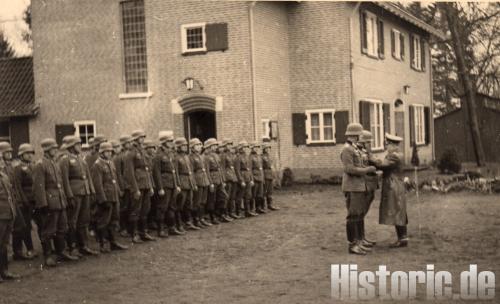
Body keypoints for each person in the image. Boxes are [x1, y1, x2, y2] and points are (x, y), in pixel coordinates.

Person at [33, 138, 79, 267]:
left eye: (55, 148)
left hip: (60, 201)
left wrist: (65, 198)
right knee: (49, 230)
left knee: (62, 227)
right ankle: (48, 255)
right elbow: (39, 187)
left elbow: (61, 184)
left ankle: (61, 252)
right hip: (50, 202)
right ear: (47, 150)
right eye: (53, 148)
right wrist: (43, 204)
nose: (55, 150)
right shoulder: (40, 165)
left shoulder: (55, 163)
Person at [58, 136, 99, 257]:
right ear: (71, 146)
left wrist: (91, 191)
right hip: (75, 193)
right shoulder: (65, 160)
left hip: (85, 192)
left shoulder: (81, 159)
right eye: (77, 144)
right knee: (72, 221)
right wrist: (69, 195)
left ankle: (83, 245)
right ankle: (73, 246)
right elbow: (65, 180)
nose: (80, 146)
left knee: (84, 220)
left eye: (80, 144)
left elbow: (88, 177)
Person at [340, 123, 377, 255]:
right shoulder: (347, 150)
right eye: (358, 134)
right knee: (353, 215)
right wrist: (367, 170)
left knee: (359, 214)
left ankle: (360, 240)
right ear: (353, 135)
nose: (360, 137)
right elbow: (349, 169)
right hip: (352, 187)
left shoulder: (355, 148)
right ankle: (353, 244)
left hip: (360, 186)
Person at [371, 133, 408, 248]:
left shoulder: (393, 156)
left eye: (388, 144)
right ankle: (403, 237)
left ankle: (402, 239)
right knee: (399, 210)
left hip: (393, 185)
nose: (386, 147)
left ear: (393, 145)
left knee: (396, 210)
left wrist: (370, 158)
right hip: (397, 183)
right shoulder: (398, 154)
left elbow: (383, 165)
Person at [91, 142, 128, 253]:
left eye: (110, 151)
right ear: (101, 152)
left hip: (113, 196)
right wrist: (102, 199)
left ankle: (113, 242)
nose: (109, 153)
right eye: (106, 151)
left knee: (114, 219)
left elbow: (114, 180)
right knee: (104, 221)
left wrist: (118, 192)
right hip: (106, 197)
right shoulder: (97, 165)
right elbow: (98, 184)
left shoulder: (111, 163)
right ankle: (103, 243)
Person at [0, 142, 33, 261]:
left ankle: (17, 251)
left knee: (19, 226)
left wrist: (18, 200)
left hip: (14, 200)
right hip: (6, 201)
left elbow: (16, 185)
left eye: (10, 152)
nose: (9, 154)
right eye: (6, 152)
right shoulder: (3, 167)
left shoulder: (11, 166)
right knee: (6, 230)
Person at [124, 130, 156, 243]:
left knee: (145, 209)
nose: (142, 139)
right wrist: (135, 188)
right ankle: (134, 234)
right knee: (135, 210)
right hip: (138, 185)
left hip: (146, 184)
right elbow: (129, 172)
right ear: (136, 139)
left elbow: (147, 170)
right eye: (140, 137)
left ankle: (144, 232)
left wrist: (151, 186)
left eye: (143, 137)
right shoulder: (131, 153)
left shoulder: (142, 151)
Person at [152, 131, 181, 237]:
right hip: (164, 184)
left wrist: (177, 184)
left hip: (172, 183)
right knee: (162, 207)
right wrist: (160, 188)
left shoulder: (171, 154)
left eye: (172, 141)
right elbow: (156, 172)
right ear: (164, 142)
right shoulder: (158, 155)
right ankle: (161, 229)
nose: (171, 143)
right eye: (169, 141)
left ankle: (171, 227)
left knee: (172, 206)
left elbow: (175, 171)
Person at [12, 143, 38, 260]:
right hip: (24, 201)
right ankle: (29, 249)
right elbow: (17, 186)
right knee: (25, 226)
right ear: (21, 155)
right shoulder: (18, 168)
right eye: (26, 153)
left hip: (34, 199)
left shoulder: (33, 166)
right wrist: (24, 201)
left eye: (30, 153)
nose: (29, 155)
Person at [0, 157, 20, 282]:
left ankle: (4, 270)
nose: (1, 162)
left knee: (4, 244)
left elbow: (10, 195)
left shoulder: (4, 176)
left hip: (8, 214)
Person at [356, 131, 377, 247]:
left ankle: (362, 238)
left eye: (370, 142)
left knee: (362, 213)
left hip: (369, 185)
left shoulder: (366, 152)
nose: (370, 144)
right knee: (360, 213)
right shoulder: (362, 152)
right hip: (364, 186)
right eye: (368, 142)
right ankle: (359, 238)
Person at [173, 137, 196, 233]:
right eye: (183, 145)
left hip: (189, 181)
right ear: (178, 147)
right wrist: (178, 184)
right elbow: (176, 173)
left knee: (188, 203)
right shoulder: (176, 158)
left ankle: (188, 222)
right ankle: (179, 224)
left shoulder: (186, 157)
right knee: (180, 205)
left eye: (185, 145)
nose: (185, 147)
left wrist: (193, 183)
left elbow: (191, 171)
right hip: (182, 182)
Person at [204, 138, 231, 223]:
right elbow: (207, 171)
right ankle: (213, 217)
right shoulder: (206, 157)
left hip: (219, 179)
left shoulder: (216, 155)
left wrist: (222, 180)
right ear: (209, 146)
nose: (215, 147)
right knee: (212, 199)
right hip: (212, 179)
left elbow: (220, 168)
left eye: (216, 145)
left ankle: (221, 214)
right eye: (214, 145)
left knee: (223, 196)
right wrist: (210, 183)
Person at [115, 135, 133, 237]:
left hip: (130, 185)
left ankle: (129, 228)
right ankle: (123, 228)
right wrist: (121, 188)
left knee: (130, 207)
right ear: (124, 144)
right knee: (124, 208)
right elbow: (118, 174)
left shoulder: (128, 154)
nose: (130, 144)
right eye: (128, 142)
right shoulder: (119, 157)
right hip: (124, 186)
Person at [189, 138, 209, 228]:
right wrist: (194, 183)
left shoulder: (200, 156)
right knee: (197, 202)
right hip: (197, 180)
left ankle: (202, 219)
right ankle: (196, 220)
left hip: (204, 180)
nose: (200, 146)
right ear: (192, 147)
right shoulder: (191, 157)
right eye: (197, 145)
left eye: (200, 145)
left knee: (203, 201)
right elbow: (191, 172)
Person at [235, 141, 256, 217]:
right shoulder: (238, 158)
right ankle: (238, 212)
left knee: (248, 195)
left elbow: (249, 169)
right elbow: (237, 170)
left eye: (247, 147)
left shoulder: (247, 157)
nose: (246, 148)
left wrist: (251, 179)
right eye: (245, 147)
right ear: (241, 148)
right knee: (240, 196)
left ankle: (247, 211)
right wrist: (241, 180)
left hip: (247, 177)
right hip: (242, 177)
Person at [220, 139, 241, 219]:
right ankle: (225, 214)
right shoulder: (223, 155)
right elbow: (222, 168)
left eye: (230, 144)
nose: (230, 146)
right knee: (226, 197)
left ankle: (231, 212)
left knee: (232, 196)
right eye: (228, 144)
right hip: (227, 178)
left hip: (233, 177)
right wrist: (224, 179)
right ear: (225, 146)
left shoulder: (231, 155)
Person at [261, 143, 279, 211]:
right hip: (265, 174)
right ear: (264, 149)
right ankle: (262, 206)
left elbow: (272, 166)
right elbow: (261, 167)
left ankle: (270, 204)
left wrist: (274, 175)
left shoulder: (269, 156)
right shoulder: (262, 157)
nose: (268, 149)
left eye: (269, 148)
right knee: (264, 191)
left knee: (270, 190)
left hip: (270, 174)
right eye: (267, 148)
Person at [250, 142, 266, 214]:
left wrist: (262, 178)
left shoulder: (258, 156)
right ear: (252, 148)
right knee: (253, 194)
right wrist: (252, 179)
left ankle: (258, 208)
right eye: (255, 147)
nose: (257, 148)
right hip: (255, 176)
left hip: (260, 176)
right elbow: (249, 169)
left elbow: (261, 168)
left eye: (257, 147)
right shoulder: (250, 157)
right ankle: (251, 209)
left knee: (260, 193)